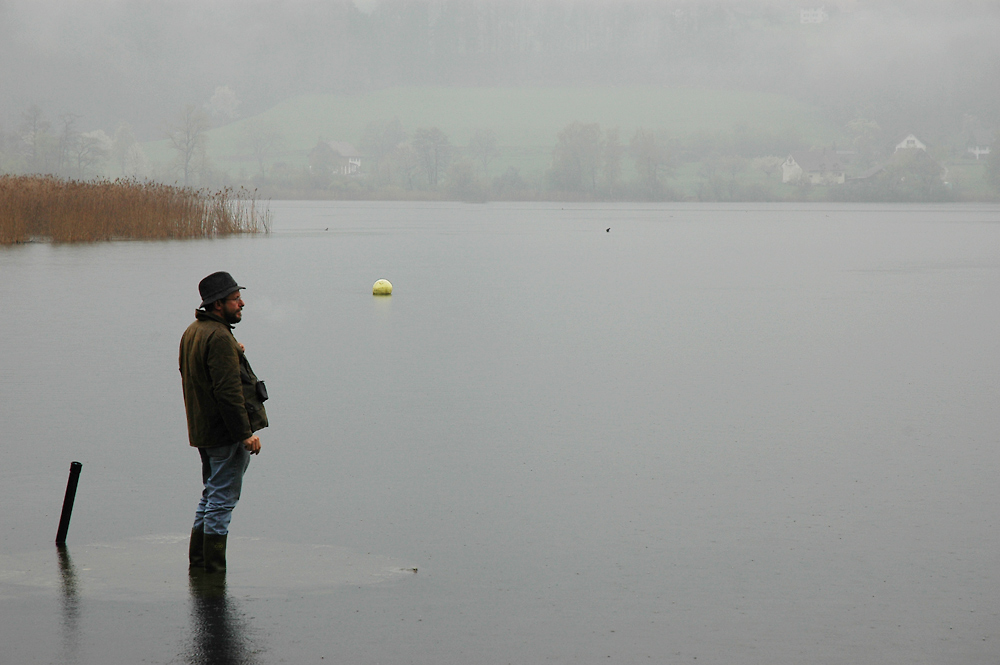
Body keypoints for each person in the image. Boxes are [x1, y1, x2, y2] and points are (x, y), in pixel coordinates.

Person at [179, 271, 268, 574]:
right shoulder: (217, 337)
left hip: (204, 432)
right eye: (235, 299)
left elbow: (200, 375)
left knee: (211, 495)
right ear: (218, 305)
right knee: (221, 501)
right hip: (225, 435)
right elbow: (228, 394)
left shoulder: (195, 331)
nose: (241, 303)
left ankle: (199, 565)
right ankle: (213, 572)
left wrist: (233, 350)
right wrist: (246, 434)